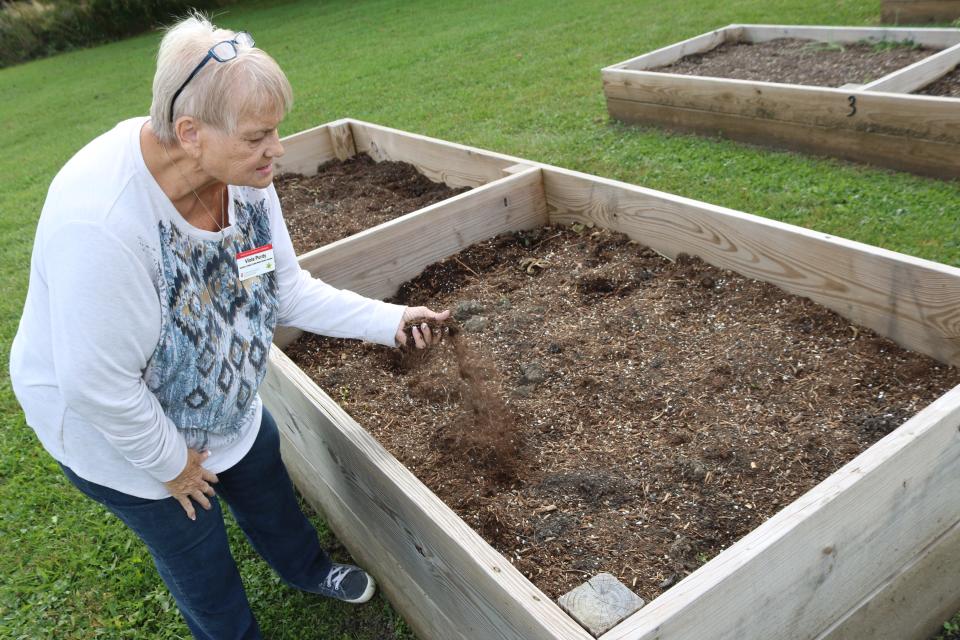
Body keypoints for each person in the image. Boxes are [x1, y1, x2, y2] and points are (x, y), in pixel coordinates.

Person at [8, 13, 448, 640]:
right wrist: (173, 463)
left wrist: (392, 319)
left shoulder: (240, 177)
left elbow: (283, 287)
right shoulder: (102, 224)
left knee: (264, 472)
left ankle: (306, 568)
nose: (278, 148)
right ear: (189, 132)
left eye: (276, 130)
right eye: (257, 136)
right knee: (197, 552)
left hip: (220, 399)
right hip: (124, 436)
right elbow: (97, 384)